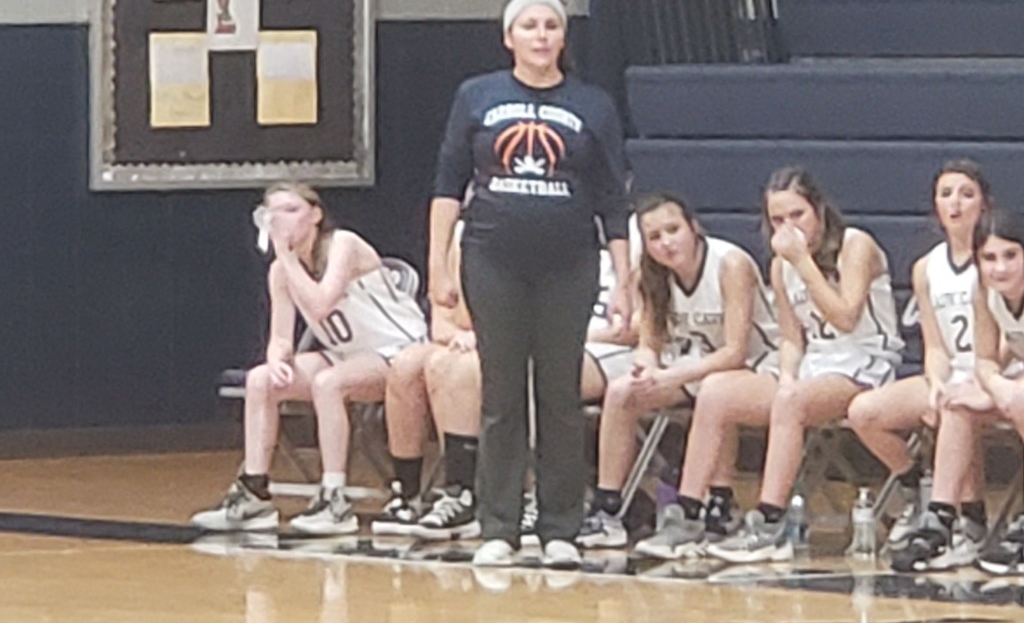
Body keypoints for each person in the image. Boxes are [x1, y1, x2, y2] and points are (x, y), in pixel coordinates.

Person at [430, 0, 631, 569]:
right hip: (492, 259)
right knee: (501, 393)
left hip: (569, 264)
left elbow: (612, 199)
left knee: (559, 395)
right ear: (508, 37)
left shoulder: (593, 105)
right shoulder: (477, 96)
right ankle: (498, 524)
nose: (541, 35)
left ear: (563, 37)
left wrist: (623, 278)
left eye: (551, 25)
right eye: (530, 26)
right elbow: (447, 185)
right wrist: (437, 264)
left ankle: (560, 526)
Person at [191, 183, 428, 535]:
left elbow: (321, 303)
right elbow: (281, 337)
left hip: (400, 349)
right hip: (347, 354)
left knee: (328, 383)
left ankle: (334, 499)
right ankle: (254, 492)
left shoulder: (343, 244)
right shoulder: (280, 272)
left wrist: (285, 256)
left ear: (316, 215)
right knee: (261, 381)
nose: (281, 219)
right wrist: (277, 359)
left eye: (291, 210)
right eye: (273, 212)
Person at [370, 237, 638, 541]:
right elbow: (444, 322)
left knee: (477, 370)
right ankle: (416, 494)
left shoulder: (618, 246)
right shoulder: (473, 240)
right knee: (410, 366)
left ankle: (507, 495)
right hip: (500, 338)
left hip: (581, 343)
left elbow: (638, 324)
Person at [707, 166, 902, 564]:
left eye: (797, 215)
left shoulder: (855, 245)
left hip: (866, 361)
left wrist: (803, 263)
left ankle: (771, 522)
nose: (789, 227)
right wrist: (786, 375)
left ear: (819, 210)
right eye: (778, 219)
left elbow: (845, 317)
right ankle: (697, 510)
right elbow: (791, 338)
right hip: (816, 364)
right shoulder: (780, 266)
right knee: (716, 391)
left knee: (791, 401)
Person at [578, 192, 779, 553]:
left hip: (758, 363)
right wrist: (647, 367)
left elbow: (734, 352)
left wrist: (673, 376)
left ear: (694, 227)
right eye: (655, 237)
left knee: (716, 390)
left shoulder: (730, 264)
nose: (666, 243)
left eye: (673, 230)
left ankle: (714, 504)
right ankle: (608, 511)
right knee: (623, 391)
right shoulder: (650, 275)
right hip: (693, 365)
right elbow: (649, 343)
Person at [848, 161, 992, 566]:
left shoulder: (998, 258)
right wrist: (936, 383)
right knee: (864, 411)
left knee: (956, 408)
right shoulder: (926, 267)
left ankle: (968, 520)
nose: (955, 203)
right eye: (946, 194)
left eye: (966, 194)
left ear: (984, 203)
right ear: (935, 205)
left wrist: (967, 385)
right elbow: (935, 345)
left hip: (995, 372)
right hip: (952, 370)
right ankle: (916, 484)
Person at [970, 209, 1024, 574]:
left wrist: (1011, 391)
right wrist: (997, 387)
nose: (1000, 268)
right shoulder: (984, 294)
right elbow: (984, 360)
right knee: (959, 404)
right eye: (989, 258)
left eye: (1010, 255)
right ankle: (952, 520)